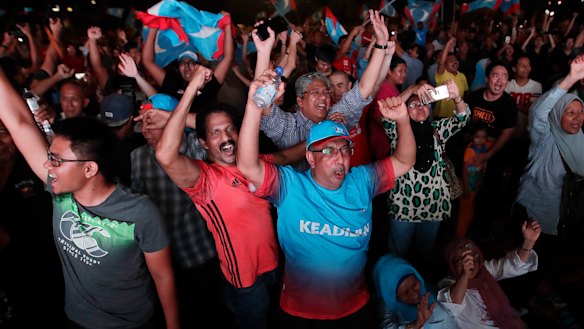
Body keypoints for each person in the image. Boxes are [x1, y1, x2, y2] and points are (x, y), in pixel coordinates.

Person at [0, 69, 180, 329]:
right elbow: (19, 123)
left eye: (57, 161)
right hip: (77, 319)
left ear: (89, 169)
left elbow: (163, 276)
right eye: (50, 157)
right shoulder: (59, 189)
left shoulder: (141, 212)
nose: (48, 166)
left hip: (132, 323)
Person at [237, 70, 416, 327]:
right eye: (328, 150)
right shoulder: (290, 186)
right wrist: (254, 106)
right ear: (310, 158)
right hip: (299, 314)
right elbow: (247, 166)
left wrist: (403, 120)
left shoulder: (362, 180)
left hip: (355, 309)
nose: (340, 157)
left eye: (344, 148)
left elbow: (404, 161)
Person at [153, 65, 305, 329]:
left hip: (276, 267)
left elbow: (288, 156)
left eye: (230, 129)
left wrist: (320, 135)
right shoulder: (205, 179)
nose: (226, 138)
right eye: (215, 133)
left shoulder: (254, 164)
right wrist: (191, 89)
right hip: (245, 282)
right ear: (203, 143)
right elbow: (165, 156)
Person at [131, 94, 225, 329]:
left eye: (151, 122)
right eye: (142, 122)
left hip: (201, 252)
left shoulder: (196, 146)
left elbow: (216, 125)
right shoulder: (137, 157)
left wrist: (175, 118)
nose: (144, 129)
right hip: (164, 259)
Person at [258, 10, 391, 150]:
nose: (323, 96)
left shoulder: (336, 115)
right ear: (300, 101)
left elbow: (364, 88)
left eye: (326, 92)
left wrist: (381, 43)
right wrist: (264, 51)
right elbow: (262, 101)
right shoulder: (287, 126)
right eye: (315, 91)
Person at [384, 80, 470, 265]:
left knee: (424, 254)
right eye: (413, 105)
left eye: (424, 103)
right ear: (405, 110)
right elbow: (388, 110)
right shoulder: (396, 130)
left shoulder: (437, 129)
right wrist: (411, 89)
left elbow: (463, 118)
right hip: (403, 206)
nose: (420, 107)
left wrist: (456, 97)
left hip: (433, 205)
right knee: (398, 255)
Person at [515, 54, 584, 274]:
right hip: (534, 216)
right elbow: (538, 112)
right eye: (570, 113)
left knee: (547, 264)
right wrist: (570, 78)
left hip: (564, 217)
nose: (577, 118)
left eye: (581, 112)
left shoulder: (580, 139)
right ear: (556, 115)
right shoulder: (545, 138)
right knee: (524, 266)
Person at [437, 220, 541, 329]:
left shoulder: (485, 270)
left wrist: (529, 241)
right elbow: (453, 304)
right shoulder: (448, 284)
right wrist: (465, 274)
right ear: (451, 264)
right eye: (461, 260)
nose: (469, 262)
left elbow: (514, 264)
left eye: (473, 256)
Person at [142, 11, 233, 106]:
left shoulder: (208, 84)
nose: (186, 66)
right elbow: (147, 61)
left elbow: (228, 58)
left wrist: (227, 25)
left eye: (191, 62)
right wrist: (154, 27)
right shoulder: (171, 82)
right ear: (178, 68)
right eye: (182, 63)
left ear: (198, 67)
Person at [372, 254, 458, 329]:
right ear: (393, 296)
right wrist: (416, 324)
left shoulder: (431, 290)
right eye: (405, 292)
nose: (414, 294)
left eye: (414, 284)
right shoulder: (388, 306)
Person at [457, 124, 492, 238]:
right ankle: (459, 236)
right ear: (472, 137)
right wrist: (466, 187)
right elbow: (464, 169)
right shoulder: (470, 151)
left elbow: (494, 141)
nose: (481, 140)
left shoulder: (484, 146)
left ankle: (464, 234)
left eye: (483, 137)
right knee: (465, 213)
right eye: (477, 137)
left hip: (475, 185)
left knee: (470, 211)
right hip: (468, 186)